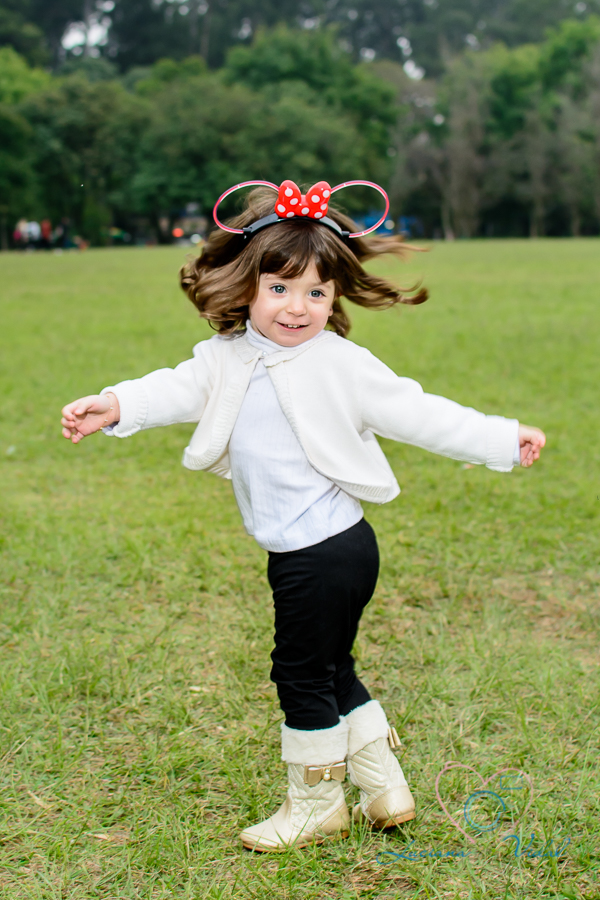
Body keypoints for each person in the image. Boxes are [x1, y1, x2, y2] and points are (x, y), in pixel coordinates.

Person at [60, 179, 546, 853]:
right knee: (330, 665)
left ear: (335, 298)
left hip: (330, 551)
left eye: (316, 292)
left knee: (298, 672)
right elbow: (172, 388)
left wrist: (500, 437)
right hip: (308, 553)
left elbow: (420, 413)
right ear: (246, 287)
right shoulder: (227, 358)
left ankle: (315, 802)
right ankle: (384, 788)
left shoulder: (342, 364)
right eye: (280, 289)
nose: (297, 308)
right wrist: (114, 405)